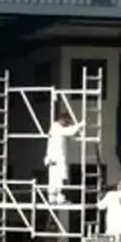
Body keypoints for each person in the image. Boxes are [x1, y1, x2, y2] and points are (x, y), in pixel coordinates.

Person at [43, 98, 84, 234]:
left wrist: (76, 129)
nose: (67, 124)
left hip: (56, 159)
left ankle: (57, 199)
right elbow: (69, 132)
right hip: (55, 160)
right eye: (67, 122)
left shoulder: (57, 129)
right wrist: (80, 125)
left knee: (58, 181)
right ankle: (54, 199)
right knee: (56, 180)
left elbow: (69, 134)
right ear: (63, 120)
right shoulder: (56, 128)